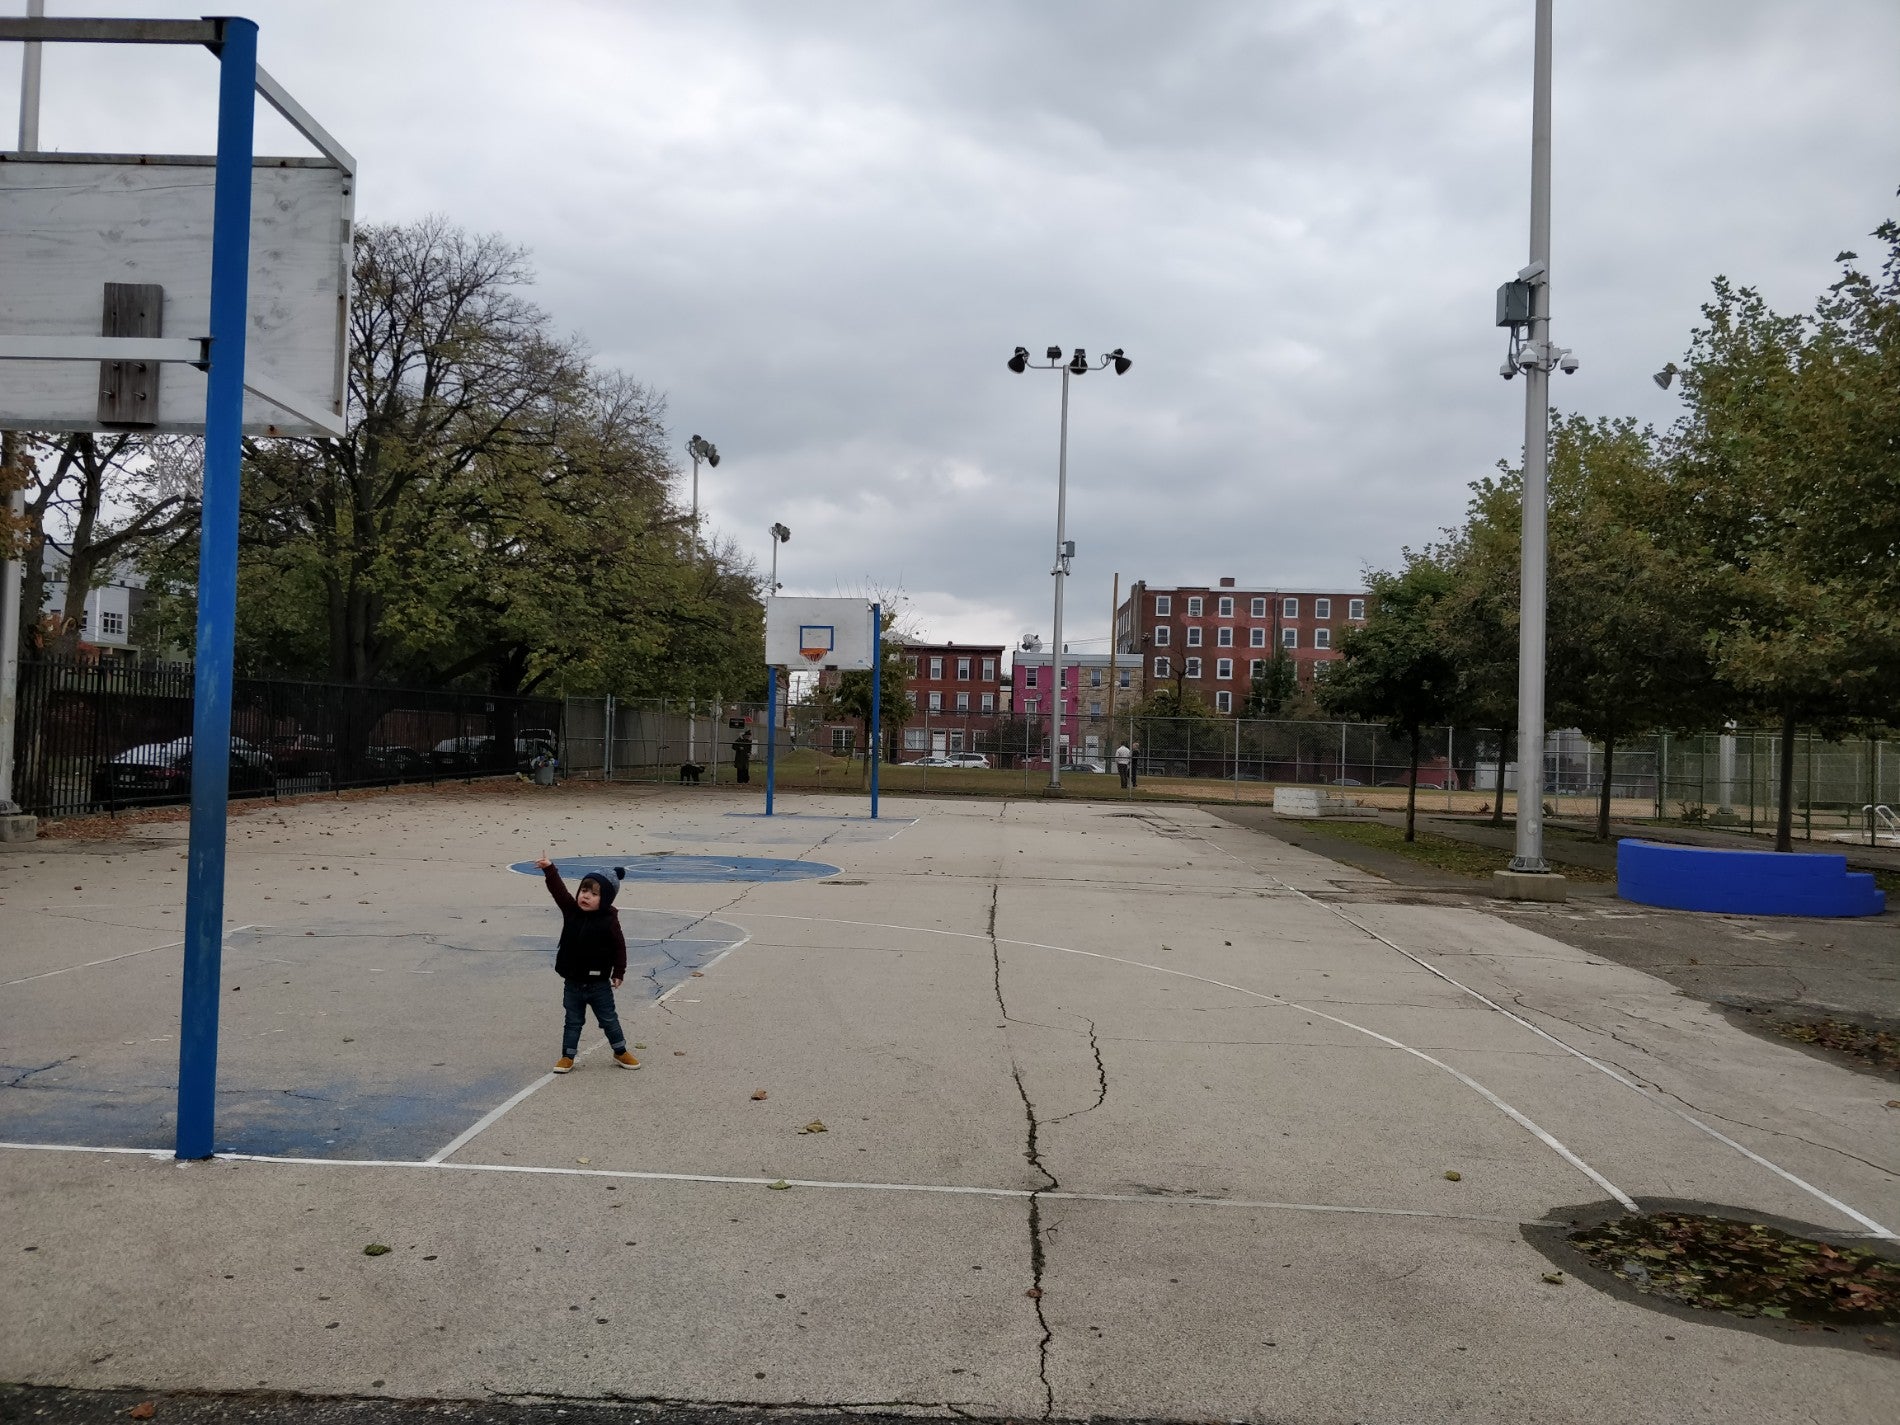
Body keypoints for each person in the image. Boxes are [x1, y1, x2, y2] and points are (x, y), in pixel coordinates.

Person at [533, 856, 640, 1073]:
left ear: (606, 899)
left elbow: (619, 947)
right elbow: (558, 891)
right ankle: (567, 1056)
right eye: (584, 890)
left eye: (594, 894)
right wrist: (549, 869)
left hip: (599, 984)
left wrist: (619, 972)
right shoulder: (571, 910)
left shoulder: (609, 920)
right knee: (573, 1021)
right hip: (573, 982)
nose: (586, 896)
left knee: (609, 1019)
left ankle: (620, 1051)